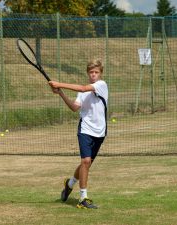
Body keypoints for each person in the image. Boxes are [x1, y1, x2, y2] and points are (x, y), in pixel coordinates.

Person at [48, 59, 108, 209]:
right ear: (88, 73)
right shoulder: (83, 93)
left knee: (86, 164)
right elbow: (74, 108)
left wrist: (59, 84)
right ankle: (83, 198)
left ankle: (69, 184)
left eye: (96, 72)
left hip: (100, 131)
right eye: (91, 72)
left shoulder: (101, 85)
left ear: (100, 74)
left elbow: (82, 88)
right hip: (85, 130)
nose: (94, 75)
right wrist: (60, 93)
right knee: (86, 161)